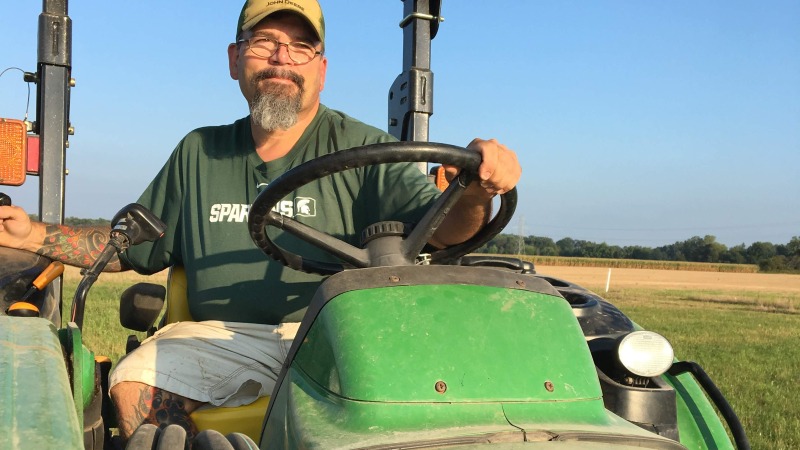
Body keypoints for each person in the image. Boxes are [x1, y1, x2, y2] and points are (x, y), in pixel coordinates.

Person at [0, 0, 521, 442]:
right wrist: (33, 234)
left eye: (300, 47)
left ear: (321, 68)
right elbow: (125, 244)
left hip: (335, 335)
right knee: (134, 381)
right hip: (218, 338)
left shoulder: (368, 151)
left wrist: (475, 190)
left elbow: (450, 229)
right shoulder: (198, 152)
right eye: (263, 42)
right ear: (235, 60)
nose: (281, 59)